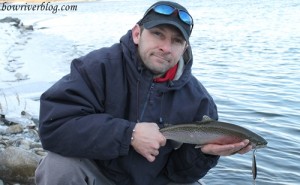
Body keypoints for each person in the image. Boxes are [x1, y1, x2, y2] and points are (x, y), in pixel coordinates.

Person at [35, 1, 252, 185]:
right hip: (99, 174)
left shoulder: (199, 100)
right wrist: (128, 134)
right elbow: (54, 127)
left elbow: (180, 175)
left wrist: (204, 154)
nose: (166, 47)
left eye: (176, 41)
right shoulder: (97, 67)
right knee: (58, 166)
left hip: (155, 180)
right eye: (158, 34)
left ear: (184, 48)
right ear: (137, 33)